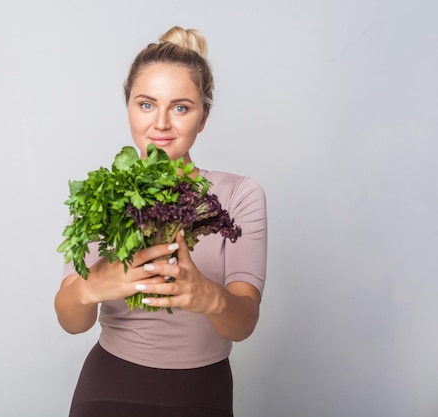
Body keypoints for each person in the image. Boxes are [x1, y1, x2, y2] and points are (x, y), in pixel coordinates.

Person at [54, 26, 267, 417]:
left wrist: (207, 295)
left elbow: (243, 323)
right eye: (147, 104)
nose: (161, 124)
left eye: (181, 107)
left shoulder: (240, 195)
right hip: (110, 387)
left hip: (205, 392)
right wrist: (91, 287)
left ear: (203, 117)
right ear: (129, 107)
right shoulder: (101, 194)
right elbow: (71, 320)